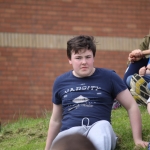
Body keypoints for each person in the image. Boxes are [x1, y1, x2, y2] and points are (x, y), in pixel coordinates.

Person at [45, 35, 148, 150]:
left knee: (103, 126)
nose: (84, 62)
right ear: (70, 59)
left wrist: (137, 139)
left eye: (88, 57)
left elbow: (131, 106)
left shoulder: (109, 77)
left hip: (99, 129)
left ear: (93, 57)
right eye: (78, 58)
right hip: (70, 132)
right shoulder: (60, 82)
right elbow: (55, 120)